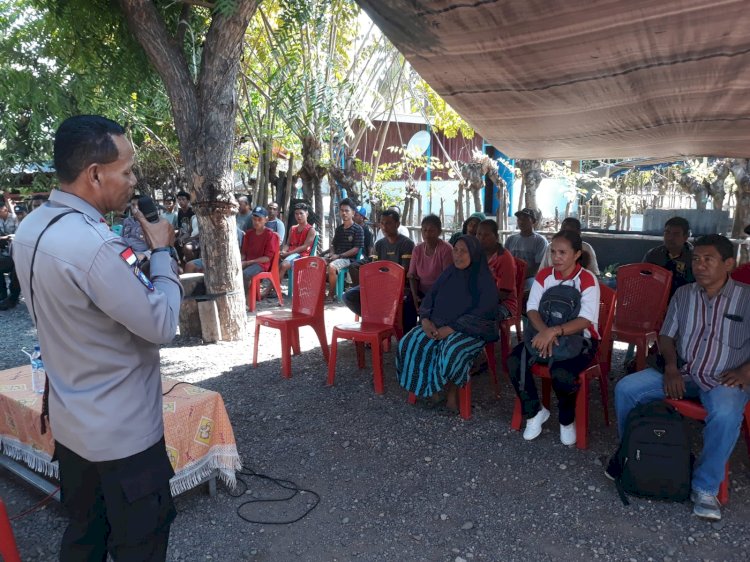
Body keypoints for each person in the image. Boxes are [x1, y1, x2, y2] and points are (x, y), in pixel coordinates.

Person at [12, 115, 181, 560]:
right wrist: (162, 252)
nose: (132, 181)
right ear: (94, 174)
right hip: (124, 439)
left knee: (85, 537)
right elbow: (161, 323)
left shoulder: (31, 228)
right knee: (138, 544)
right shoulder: (95, 246)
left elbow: (83, 308)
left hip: (73, 429)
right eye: (126, 171)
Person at [612, 234, 750, 521]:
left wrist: (744, 371)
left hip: (725, 378)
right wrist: (672, 367)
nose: (699, 265)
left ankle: (705, 487)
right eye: (696, 259)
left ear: (729, 264)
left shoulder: (746, 298)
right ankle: (633, 454)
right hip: (685, 372)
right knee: (626, 388)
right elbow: (665, 336)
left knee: (725, 414)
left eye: (708, 259)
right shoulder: (684, 294)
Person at [507, 230, 600, 446]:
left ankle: (566, 420)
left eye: (562, 252)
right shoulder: (544, 275)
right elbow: (531, 309)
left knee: (562, 373)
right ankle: (534, 412)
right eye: (553, 252)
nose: (556, 257)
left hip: (581, 340)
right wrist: (543, 332)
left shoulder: (587, 279)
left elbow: (586, 320)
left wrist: (553, 332)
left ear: (577, 254)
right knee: (514, 360)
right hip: (543, 334)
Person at [396, 236, 499, 412]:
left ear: (474, 254)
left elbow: (483, 314)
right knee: (409, 342)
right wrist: (426, 320)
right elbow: (430, 298)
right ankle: (432, 391)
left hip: (470, 330)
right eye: (455, 250)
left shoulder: (483, 279)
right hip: (437, 325)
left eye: (463, 251)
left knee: (452, 351)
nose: (457, 255)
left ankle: (453, 396)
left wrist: (451, 329)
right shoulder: (449, 273)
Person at [342, 209, 415, 327]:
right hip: (380, 284)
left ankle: (382, 320)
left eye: (388, 223)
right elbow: (374, 269)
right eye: (382, 223)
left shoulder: (407, 243)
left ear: (397, 224)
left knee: (407, 304)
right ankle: (376, 319)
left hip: (399, 287)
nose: (384, 227)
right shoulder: (379, 244)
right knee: (348, 296)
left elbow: (404, 271)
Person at [407, 214, 454, 315]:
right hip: (422, 290)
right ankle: (410, 330)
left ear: (439, 232)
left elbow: (447, 279)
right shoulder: (417, 249)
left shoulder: (446, 249)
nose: (427, 234)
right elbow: (412, 276)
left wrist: (431, 298)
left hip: (441, 292)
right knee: (409, 301)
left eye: (431, 231)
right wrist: (415, 296)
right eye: (424, 230)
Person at [476, 219, 518, 321]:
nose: (481, 238)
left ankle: (488, 336)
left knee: (478, 316)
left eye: (486, 235)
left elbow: (504, 293)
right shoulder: (476, 254)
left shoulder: (504, 258)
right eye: (479, 234)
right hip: (478, 299)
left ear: (496, 237)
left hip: (503, 304)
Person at [324, 198, 364, 301]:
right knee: (317, 262)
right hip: (336, 257)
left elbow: (356, 249)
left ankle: (331, 295)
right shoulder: (339, 229)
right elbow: (333, 245)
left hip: (349, 259)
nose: (344, 213)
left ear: (353, 213)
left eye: (347, 210)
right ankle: (318, 292)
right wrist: (332, 254)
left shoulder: (358, 229)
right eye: (342, 210)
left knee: (332, 266)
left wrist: (339, 256)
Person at [643, 216, 693, 298]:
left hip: (684, 300)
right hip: (655, 299)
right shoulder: (653, 255)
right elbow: (642, 280)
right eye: (667, 232)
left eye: (676, 234)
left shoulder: (694, 258)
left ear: (686, 236)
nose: (670, 237)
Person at [505, 207, 548, 288]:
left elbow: (537, 266)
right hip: (511, 275)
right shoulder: (510, 239)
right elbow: (505, 260)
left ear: (533, 221)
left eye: (525, 219)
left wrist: (520, 276)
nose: (521, 222)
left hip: (529, 277)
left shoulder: (540, 241)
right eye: (519, 219)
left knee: (529, 288)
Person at [240, 206, 279, 293]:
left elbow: (267, 258)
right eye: (254, 219)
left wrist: (247, 263)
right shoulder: (248, 234)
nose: (256, 222)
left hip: (262, 264)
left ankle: (246, 300)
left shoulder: (270, 235)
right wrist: (239, 261)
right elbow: (243, 254)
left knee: (245, 274)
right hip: (248, 261)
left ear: (266, 220)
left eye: (259, 219)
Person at [279, 202, 317, 284]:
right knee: (274, 259)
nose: (298, 216)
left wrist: (288, 254)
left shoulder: (311, 230)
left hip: (302, 255)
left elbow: (304, 247)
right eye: (296, 214)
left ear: (306, 214)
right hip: (291, 253)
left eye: (301, 213)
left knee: (283, 265)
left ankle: (274, 290)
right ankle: (273, 288)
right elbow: (288, 244)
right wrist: (284, 251)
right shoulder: (293, 228)